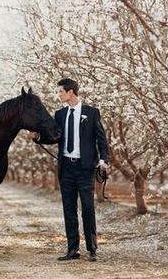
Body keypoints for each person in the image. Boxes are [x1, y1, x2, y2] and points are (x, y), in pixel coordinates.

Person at [30, 78, 109, 262]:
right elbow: (55, 137)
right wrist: (39, 137)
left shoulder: (92, 113)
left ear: (70, 92)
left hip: (85, 168)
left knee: (88, 208)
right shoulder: (59, 115)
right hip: (66, 168)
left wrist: (103, 161)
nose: (58, 95)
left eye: (60, 92)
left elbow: (102, 140)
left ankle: (92, 249)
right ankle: (72, 249)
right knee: (69, 209)